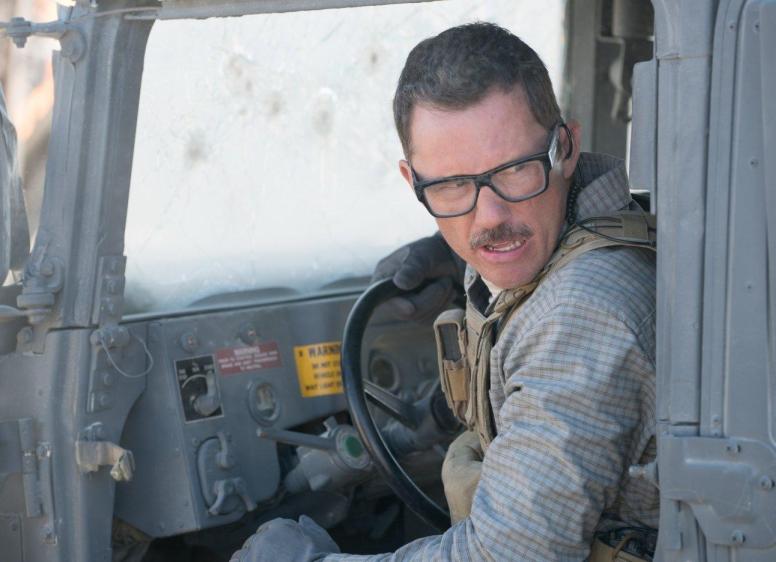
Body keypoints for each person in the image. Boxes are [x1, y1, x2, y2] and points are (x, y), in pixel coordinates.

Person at [231, 22, 658, 561]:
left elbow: (508, 557)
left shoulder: (580, 314)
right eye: (453, 185)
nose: (491, 218)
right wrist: (455, 258)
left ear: (565, 148)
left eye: (515, 170)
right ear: (412, 182)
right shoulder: (574, 234)